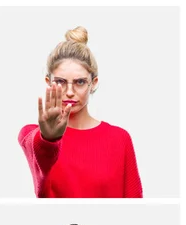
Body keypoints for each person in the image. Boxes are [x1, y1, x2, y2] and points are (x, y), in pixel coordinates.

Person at [19, 26, 142, 198]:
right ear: (48, 82)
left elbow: (134, 204)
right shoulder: (31, 135)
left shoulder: (120, 139)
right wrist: (49, 139)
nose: (69, 92)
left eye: (80, 82)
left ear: (93, 83)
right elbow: (42, 183)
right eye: (61, 81)